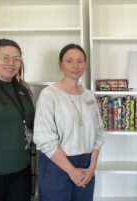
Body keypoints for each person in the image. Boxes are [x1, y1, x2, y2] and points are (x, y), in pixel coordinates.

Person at [33, 44, 105, 201]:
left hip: (86, 163)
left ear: (85, 64)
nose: (75, 65)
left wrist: (92, 167)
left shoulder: (89, 96)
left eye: (80, 61)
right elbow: (43, 138)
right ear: (61, 64)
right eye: (69, 61)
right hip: (57, 164)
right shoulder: (49, 95)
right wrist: (71, 170)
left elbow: (98, 133)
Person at [0, 38, 34, 201]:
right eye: (4, 57)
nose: (11, 63)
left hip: (22, 169)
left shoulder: (24, 89)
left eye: (16, 59)